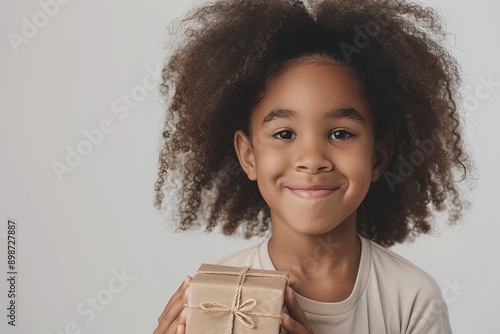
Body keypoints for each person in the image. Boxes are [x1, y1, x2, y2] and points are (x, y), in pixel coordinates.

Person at [153, 0, 470, 333]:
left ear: (378, 157)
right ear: (249, 156)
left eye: (340, 133)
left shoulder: (411, 298)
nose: (312, 159)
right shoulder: (213, 297)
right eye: (285, 133)